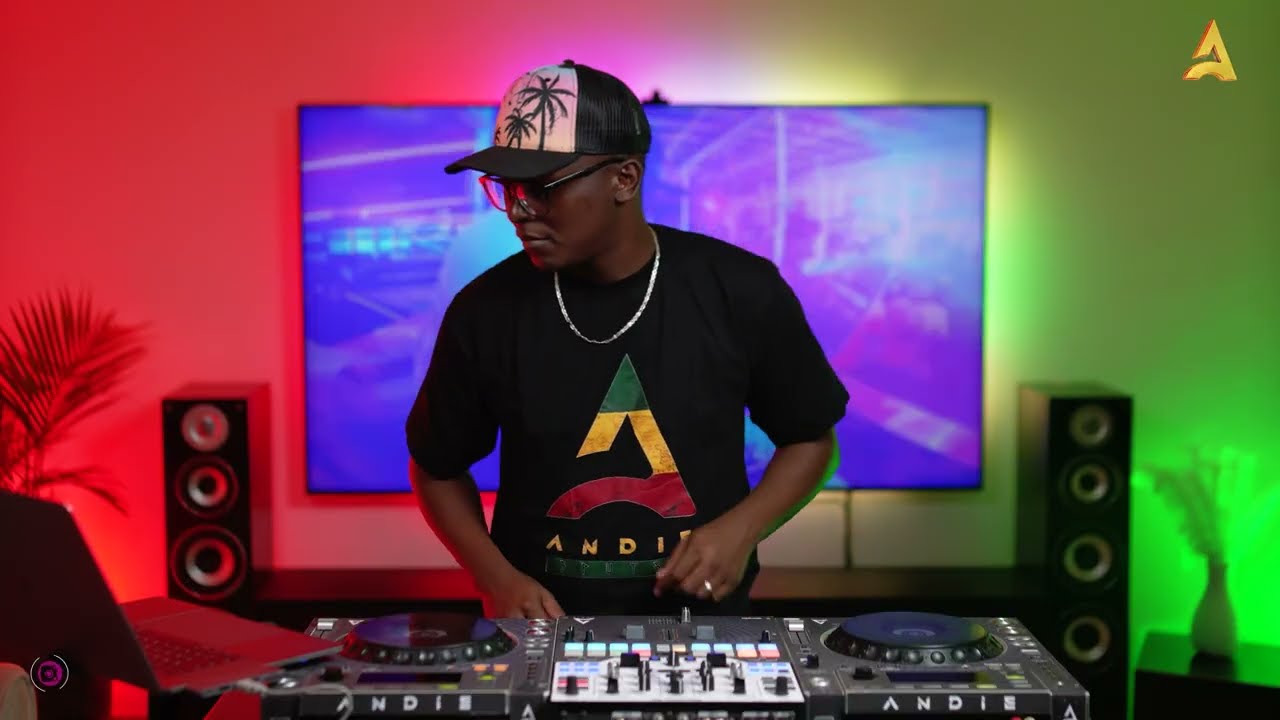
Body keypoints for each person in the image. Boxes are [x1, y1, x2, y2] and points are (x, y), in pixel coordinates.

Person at [406, 60, 849, 618]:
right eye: (507, 187)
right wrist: (496, 580)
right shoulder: (484, 311)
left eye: (542, 187)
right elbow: (436, 465)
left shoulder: (740, 290)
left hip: (703, 626)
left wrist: (741, 530)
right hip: (540, 632)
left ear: (624, 179)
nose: (518, 210)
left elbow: (811, 441)